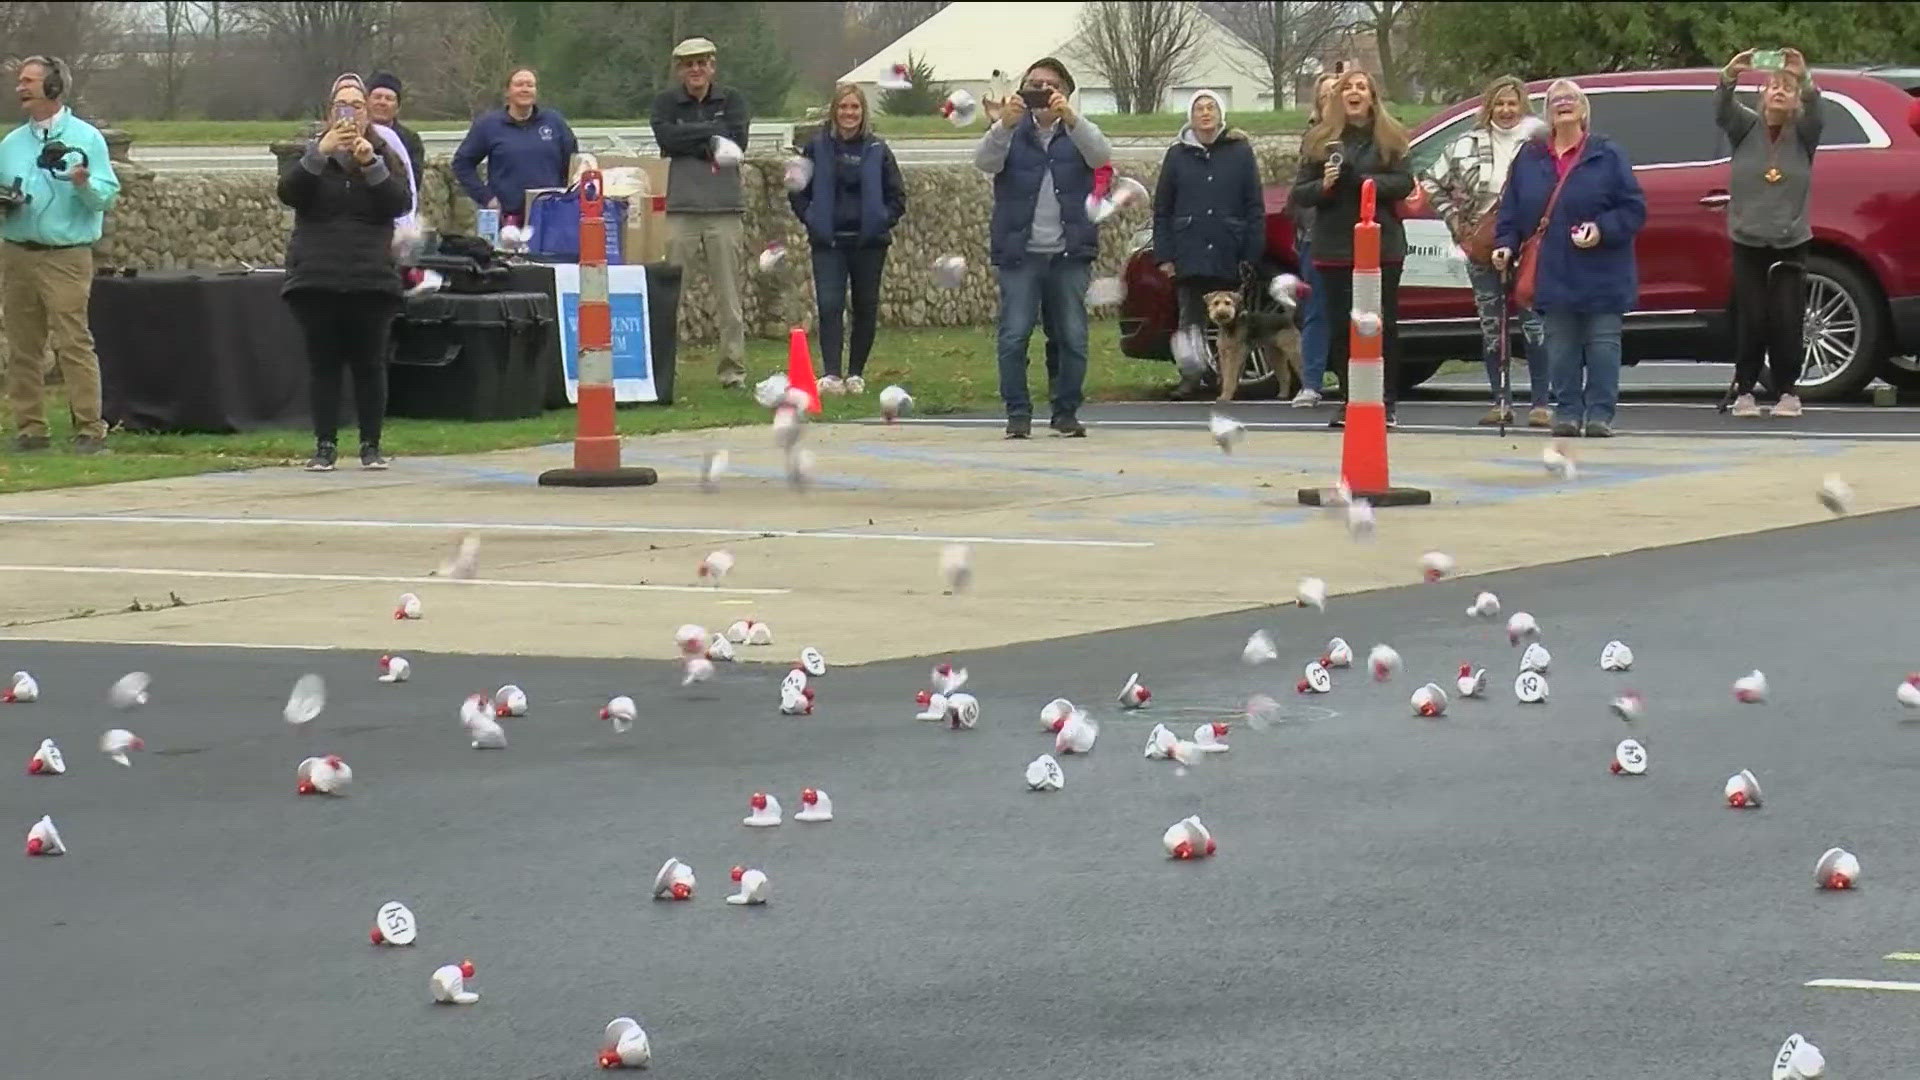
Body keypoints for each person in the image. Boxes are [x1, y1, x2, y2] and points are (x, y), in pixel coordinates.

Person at [1492, 79, 1645, 438]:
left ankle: (1600, 415)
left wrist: (1602, 228)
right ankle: (1568, 413)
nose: (1563, 104)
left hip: (1603, 269)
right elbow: (1511, 210)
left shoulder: (1607, 154)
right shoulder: (1529, 157)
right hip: (1553, 269)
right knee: (1560, 347)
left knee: (1603, 345)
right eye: (1556, 100)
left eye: (1570, 99)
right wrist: (1505, 243)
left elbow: (1633, 208)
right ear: (1547, 113)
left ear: (1583, 110)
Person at [277, 74, 412, 471]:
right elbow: (290, 193)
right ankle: (325, 446)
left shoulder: (385, 153)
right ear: (330, 111)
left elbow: (398, 202)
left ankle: (371, 444)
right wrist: (320, 154)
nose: (350, 112)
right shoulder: (310, 152)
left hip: (371, 275)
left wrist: (370, 162)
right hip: (317, 273)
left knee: (370, 364)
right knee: (324, 364)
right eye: (342, 105)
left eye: (357, 105)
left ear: (368, 111)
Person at [974, 56, 1112, 439]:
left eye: (1050, 86)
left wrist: (1071, 118)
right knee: (1014, 334)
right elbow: (983, 161)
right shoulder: (1011, 130)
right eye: (1034, 84)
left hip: (1070, 251)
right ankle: (1017, 412)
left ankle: (1065, 410)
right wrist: (1003, 124)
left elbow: (1101, 156)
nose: (1041, 92)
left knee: (1071, 335)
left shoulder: (1078, 131)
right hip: (1021, 252)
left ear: (1065, 92)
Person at [0, 55, 120, 454]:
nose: (21, 87)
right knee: (23, 345)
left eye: (29, 81)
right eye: (20, 81)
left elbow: (106, 197)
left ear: (53, 88)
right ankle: (30, 430)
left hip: (66, 256)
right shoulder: (11, 144)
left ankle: (89, 427)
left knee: (72, 342)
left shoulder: (87, 139)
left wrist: (84, 184)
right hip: (17, 253)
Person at [1420, 74, 1550, 427]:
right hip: (1482, 245)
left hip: (1530, 246)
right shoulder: (1465, 144)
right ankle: (1501, 401)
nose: (1506, 110)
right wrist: (1457, 225)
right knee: (1493, 327)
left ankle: (1541, 403)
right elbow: (1431, 182)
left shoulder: (1540, 143)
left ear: (1523, 105)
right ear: (1488, 106)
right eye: (1500, 103)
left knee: (1535, 325)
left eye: (1513, 103)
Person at [1289, 68, 1413, 429]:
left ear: (1373, 97)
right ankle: (1349, 398)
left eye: (1362, 87)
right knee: (1342, 327)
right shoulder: (1319, 140)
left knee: (1380, 325)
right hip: (1334, 246)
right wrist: (1325, 186)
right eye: (1348, 88)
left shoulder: (1391, 138)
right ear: (1338, 97)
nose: (1354, 92)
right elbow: (1300, 191)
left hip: (1381, 244)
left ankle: (1385, 401)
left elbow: (1404, 182)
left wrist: (1364, 182)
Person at [1716, 48, 1822, 419]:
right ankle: (1746, 390)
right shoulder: (1745, 127)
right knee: (1753, 316)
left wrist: (1803, 77)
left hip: (1790, 239)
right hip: (1748, 237)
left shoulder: (1804, 134)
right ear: (1761, 95)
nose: (1779, 92)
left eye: (1786, 89)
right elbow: (1722, 111)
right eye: (1773, 86)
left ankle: (1788, 391)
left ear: (1795, 101)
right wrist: (1729, 76)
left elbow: (1816, 106)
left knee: (1786, 316)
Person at [788, 82, 905, 396]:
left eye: (855, 107)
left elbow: (898, 195)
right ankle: (831, 374)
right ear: (834, 111)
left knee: (865, 307)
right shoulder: (816, 147)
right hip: (829, 242)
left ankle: (855, 373)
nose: (849, 113)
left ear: (863, 112)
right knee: (829, 305)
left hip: (869, 243)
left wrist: (882, 219)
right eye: (843, 107)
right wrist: (812, 219)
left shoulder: (878, 149)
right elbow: (798, 190)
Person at [651, 37, 753, 389]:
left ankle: (733, 371)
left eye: (702, 63)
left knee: (729, 297)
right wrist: (712, 137)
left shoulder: (732, 100)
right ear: (680, 69)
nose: (696, 69)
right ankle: (665, 370)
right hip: (679, 208)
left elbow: (736, 142)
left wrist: (690, 137)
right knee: (670, 296)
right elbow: (666, 139)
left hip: (724, 208)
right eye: (688, 64)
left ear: (712, 66)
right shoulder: (666, 103)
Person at [1151, 89, 1264, 402]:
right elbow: (1162, 208)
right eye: (1199, 108)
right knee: (1190, 319)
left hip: (1229, 246)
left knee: (1234, 321)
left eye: (1210, 107)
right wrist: (1165, 254)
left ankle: (1228, 379)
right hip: (1189, 248)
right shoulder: (1176, 155)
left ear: (1220, 114)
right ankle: (1191, 377)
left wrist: (1252, 249)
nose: (1205, 113)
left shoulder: (1240, 151)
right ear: (1191, 116)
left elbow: (1253, 204)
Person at [451, 67, 578, 227]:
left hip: (551, 216)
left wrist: (567, 198)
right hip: (507, 220)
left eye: (530, 85)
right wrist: (486, 198)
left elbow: (574, 164)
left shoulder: (554, 122)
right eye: (519, 84)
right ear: (507, 91)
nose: (525, 89)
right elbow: (462, 164)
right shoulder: (488, 125)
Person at [1290, 71, 1341, 407]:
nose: (1332, 100)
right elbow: (1300, 192)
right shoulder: (1312, 140)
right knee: (1316, 310)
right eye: (1325, 96)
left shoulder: (1365, 137)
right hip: (1316, 235)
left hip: (1354, 236)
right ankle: (1311, 381)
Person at [367, 71, 425, 197]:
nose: (382, 102)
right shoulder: (356, 134)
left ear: (397, 107)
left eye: (389, 98)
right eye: (377, 97)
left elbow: (413, 181)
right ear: (366, 102)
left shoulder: (410, 140)